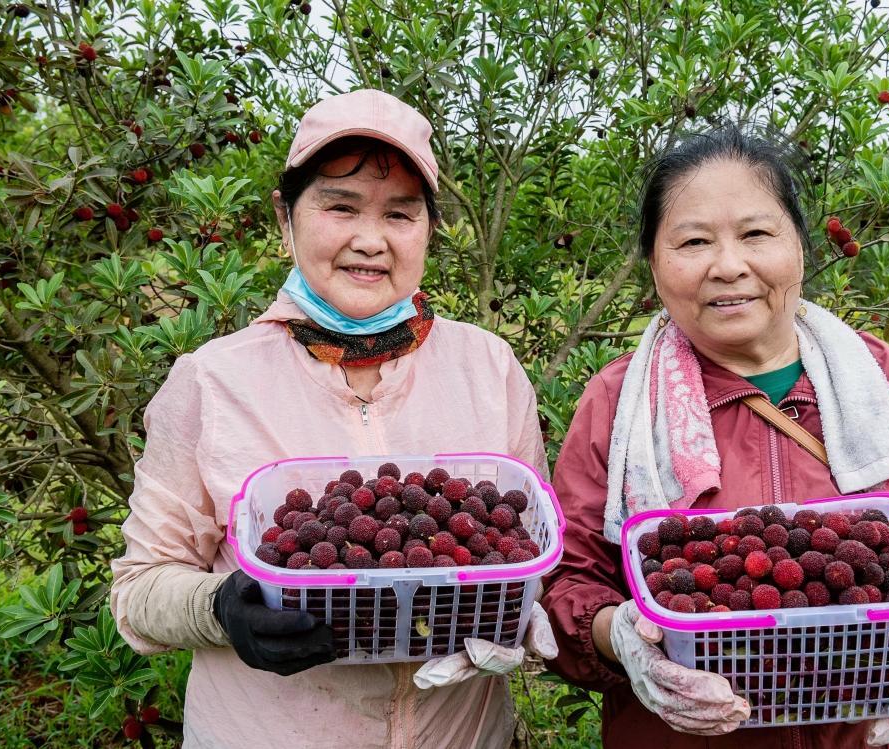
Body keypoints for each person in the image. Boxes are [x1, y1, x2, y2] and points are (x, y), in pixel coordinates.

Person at [540, 125, 889, 748]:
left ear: (799, 246)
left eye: (756, 233)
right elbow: (564, 584)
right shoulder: (617, 406)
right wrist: (621, 637)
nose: (728, 266)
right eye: (693, 241)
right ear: (655, 264)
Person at [110, 88, 556, 749]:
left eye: (400, 214)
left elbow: (527, 542)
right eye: (339, 206)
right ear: (286, 218)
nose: (369, 240)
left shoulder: (488, 367)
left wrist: (524, 607)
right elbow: (139, 588)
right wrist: (220, 608)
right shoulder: (211, 381)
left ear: (429, 228)